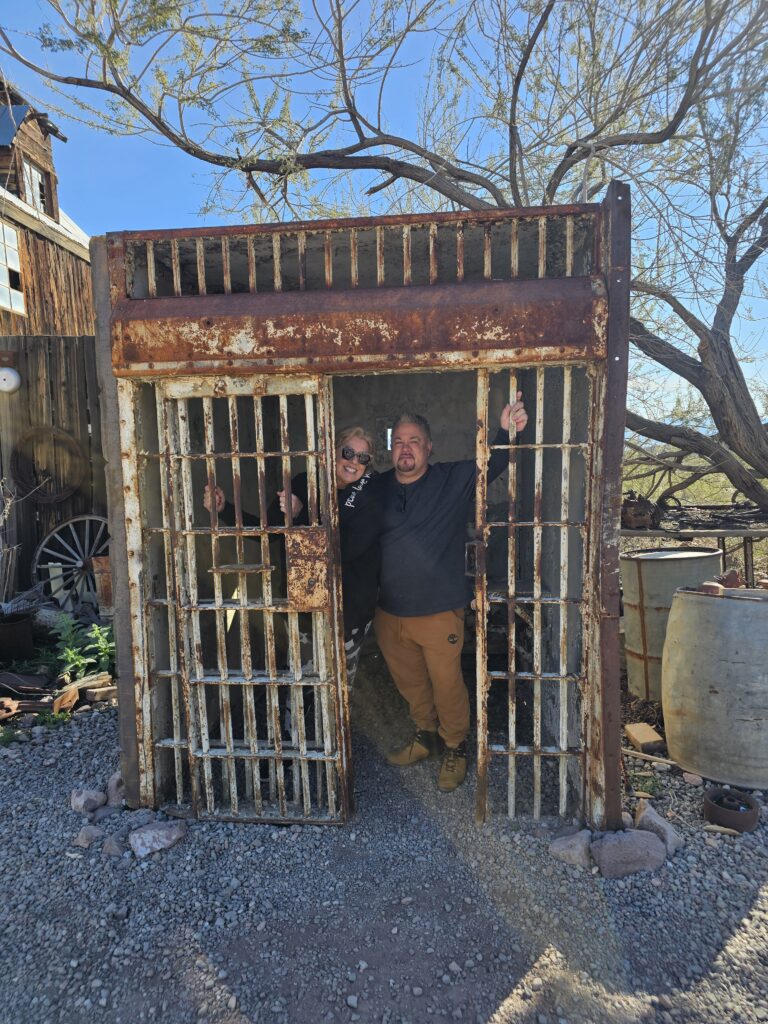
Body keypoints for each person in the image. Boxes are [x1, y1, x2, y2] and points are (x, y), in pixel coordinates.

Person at [374, 395, 528, 792]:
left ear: (429, 447)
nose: (405, 449)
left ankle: (455, 745)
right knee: (409, 682)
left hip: (439, 608)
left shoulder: (450, 479)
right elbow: (339, 500)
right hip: (388, 610)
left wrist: (506, 432)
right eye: (399, 442)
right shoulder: (375, 488)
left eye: (414, 441)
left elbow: (493, 462)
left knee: (447, 683)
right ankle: (425, 735)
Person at [203, 426, 381, 687]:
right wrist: (225, 510)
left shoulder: (370, 495)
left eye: (362, 457)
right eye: (348, 452)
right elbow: (269, 532)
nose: (353, 461)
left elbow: (347, 548)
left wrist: (303, 517)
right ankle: (298, 728)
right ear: (333, 450)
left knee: (340, 683)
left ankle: (334, 729)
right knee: (302, 680)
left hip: (350, 606)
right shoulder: (303, 483)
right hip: (304, 601)